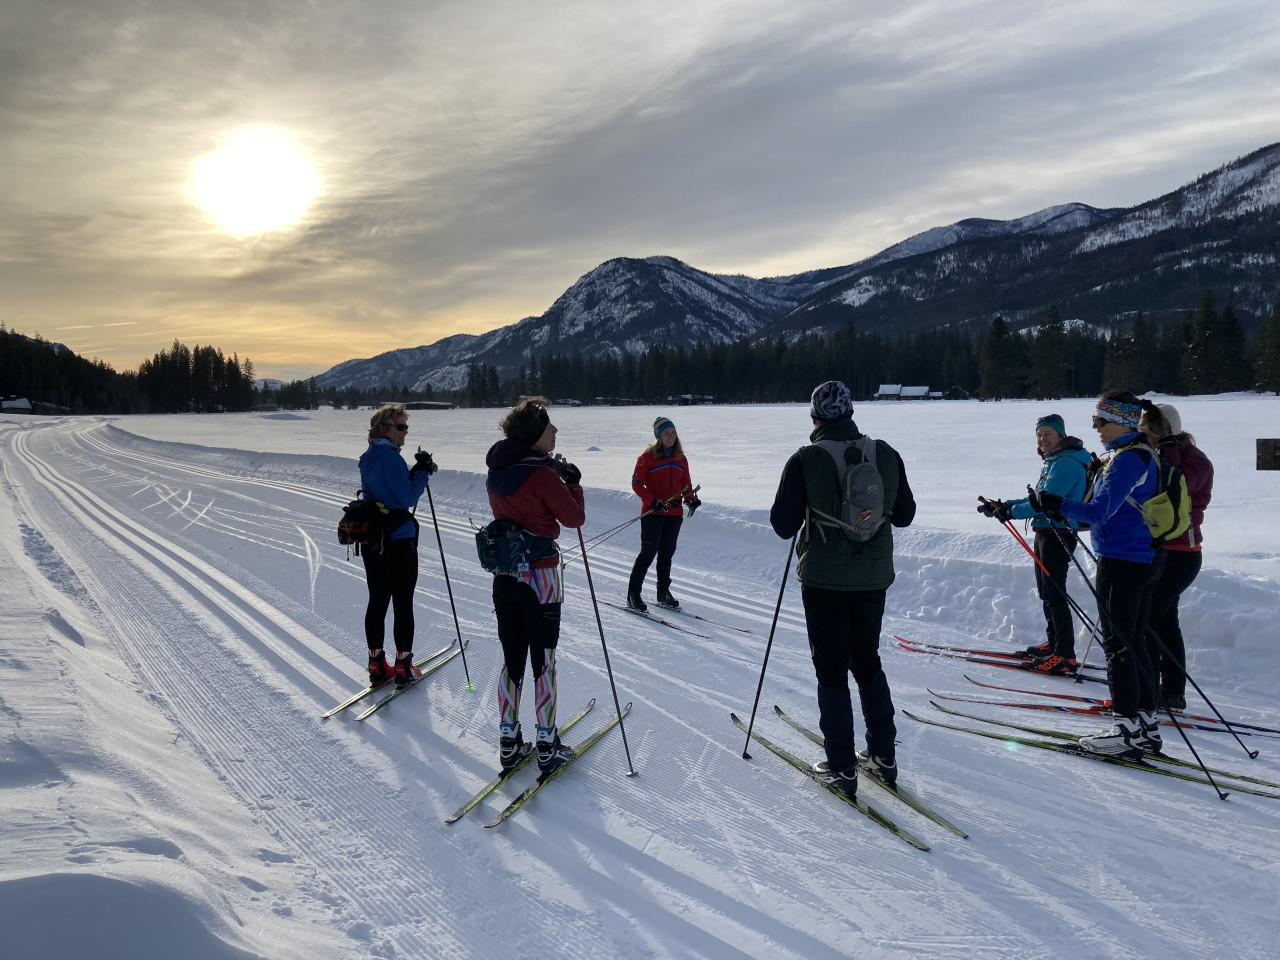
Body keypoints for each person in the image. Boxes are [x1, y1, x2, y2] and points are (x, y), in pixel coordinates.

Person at [769, 381, 916, 798]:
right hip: (873, 578)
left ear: (814, 418)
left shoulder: (805, 459)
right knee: (867, 661)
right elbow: (904, 515)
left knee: (831, 669)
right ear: (851, 412)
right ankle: (884, 757)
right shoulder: (885, 452)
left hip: (824, 580)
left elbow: (783, 526)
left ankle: (841, 767)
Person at [1030, 390, 1164, 758]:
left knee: (1119, 644)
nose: (1095, 428)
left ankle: (1125, 730)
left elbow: (1099, 513)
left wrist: (1056, 505)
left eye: (1100, 421)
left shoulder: (1127, 460)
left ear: (1122, 421)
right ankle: (1145, 724)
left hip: (1123, 561)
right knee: (1133, 640)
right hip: (1140, 558)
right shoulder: (1134, 455)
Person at [485, 397, 585, 776]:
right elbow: (574, 517)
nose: (555, 431)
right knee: (544, 661)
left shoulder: (498, 470)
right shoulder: (541, 475)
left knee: (512, 660)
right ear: (533, 436)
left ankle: (509, 742)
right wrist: (573, 484)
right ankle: (547, 744)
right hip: (541, 577)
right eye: (549, 427)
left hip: (505, 575)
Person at [978, 413, 1092, 675]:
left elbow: (1043, 503)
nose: (1042, 440)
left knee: (1055, 594)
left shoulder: (1066, 464)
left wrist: (1010, 512)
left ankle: (1064, 655)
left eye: (1048, 435)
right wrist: (1005, 506)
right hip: (1047, 531)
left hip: (1058, 533)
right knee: (1047, 593)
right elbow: (1036, 499)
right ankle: (1055, 645)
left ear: (1060, 436)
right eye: (1039, 435)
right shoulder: (1054, 462)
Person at [1140, 402, 1213, 711]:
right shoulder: (1152, 454)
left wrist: (1168, 452)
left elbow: (1176, 487)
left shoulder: (1196, 460)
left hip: (1183, 553)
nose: (1147, 439)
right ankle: (1171, 689)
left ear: (1168, 431)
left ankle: (1155, 688)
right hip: (1155, 549)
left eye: (1151, 433)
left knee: (1149, 619)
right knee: (1165, 622)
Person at [359, 404, 437, 688]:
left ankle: (377, 665)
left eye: (406, 426)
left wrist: (414, 470)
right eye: (401, 426)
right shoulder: (390, 459)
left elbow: (385, 491)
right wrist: (423, 473)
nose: (405, 432)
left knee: (377, 599)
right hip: (398, 539)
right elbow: (405, 497)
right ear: (385, 429)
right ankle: (403, 667)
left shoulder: (368, 457)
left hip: (373, 539)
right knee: (402, 602)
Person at [627, 416, 701, 611]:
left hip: (674, 515)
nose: (671, 436)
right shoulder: (647, 458)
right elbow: (636, 483)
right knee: (648, 553)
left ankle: (663, 592)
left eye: (673, 432)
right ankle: (633, 593)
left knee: (666, 554)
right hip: (653, 513)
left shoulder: (681, 458)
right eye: (666, 433)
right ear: (658, 436)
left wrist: (690, 499)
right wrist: (652, 500)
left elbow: (686, 485)